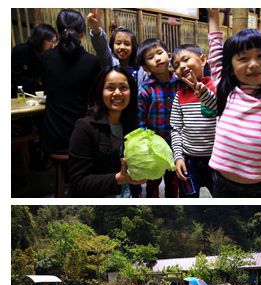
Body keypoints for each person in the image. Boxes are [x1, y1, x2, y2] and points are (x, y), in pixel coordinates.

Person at [207, 9, 261, 197]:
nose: (253, 64)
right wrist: (213, 17)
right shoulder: (226, 90)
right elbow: (215, 55)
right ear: (230, 68)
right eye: (243, 58)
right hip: (221, 183)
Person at [67, 66, 147, 197]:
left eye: (123, 88)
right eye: (110, 88)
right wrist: (118, 179)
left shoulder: (132, 126)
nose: (117, 93)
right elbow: (77, 183)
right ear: (100, 91)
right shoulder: (85, 128)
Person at [39, 10, 101, 156]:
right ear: (82, 33)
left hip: (53, 139)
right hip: (83, 139)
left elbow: (46, 88)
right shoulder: (92, 62)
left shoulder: (45, 59)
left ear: (58, 32)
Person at [170, 43, 217, 197]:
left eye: (186, 60)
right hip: (189, 162)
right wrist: (178, 157)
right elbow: (176, 128)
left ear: (203, 60)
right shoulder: (180, 96)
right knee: (188, 198)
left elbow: (220, 109)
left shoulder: (217, 87)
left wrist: (203, 92)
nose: (182, 66)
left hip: (217, 161)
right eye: (176, 65)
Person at [136, 37, 179, 198]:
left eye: (159, 53)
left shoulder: (180, 83)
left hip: (176, 144)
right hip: (154, 146)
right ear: (146, 66)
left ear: (168, 55)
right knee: (153, 182)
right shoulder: (145, 89)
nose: (157, 58)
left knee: (173, 182)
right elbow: (141, 122)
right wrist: (145, 147)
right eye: (151, 57)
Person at [86, 10, 146, 86]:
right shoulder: (109, 63)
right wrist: (96, 30)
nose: (122, 47)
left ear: (133, 47)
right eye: (118, 43)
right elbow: (102, 48)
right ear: (112, 45)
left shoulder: (140, 70)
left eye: (127, 44)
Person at [12, 23, 57, 97]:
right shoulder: (20, 51)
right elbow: (15, 79)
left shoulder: (51, 54)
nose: (53, 46)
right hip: (21, 95)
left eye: (55, 42)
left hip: (43, 96)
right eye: (50, 41)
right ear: (40, 39)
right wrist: (38, 81)